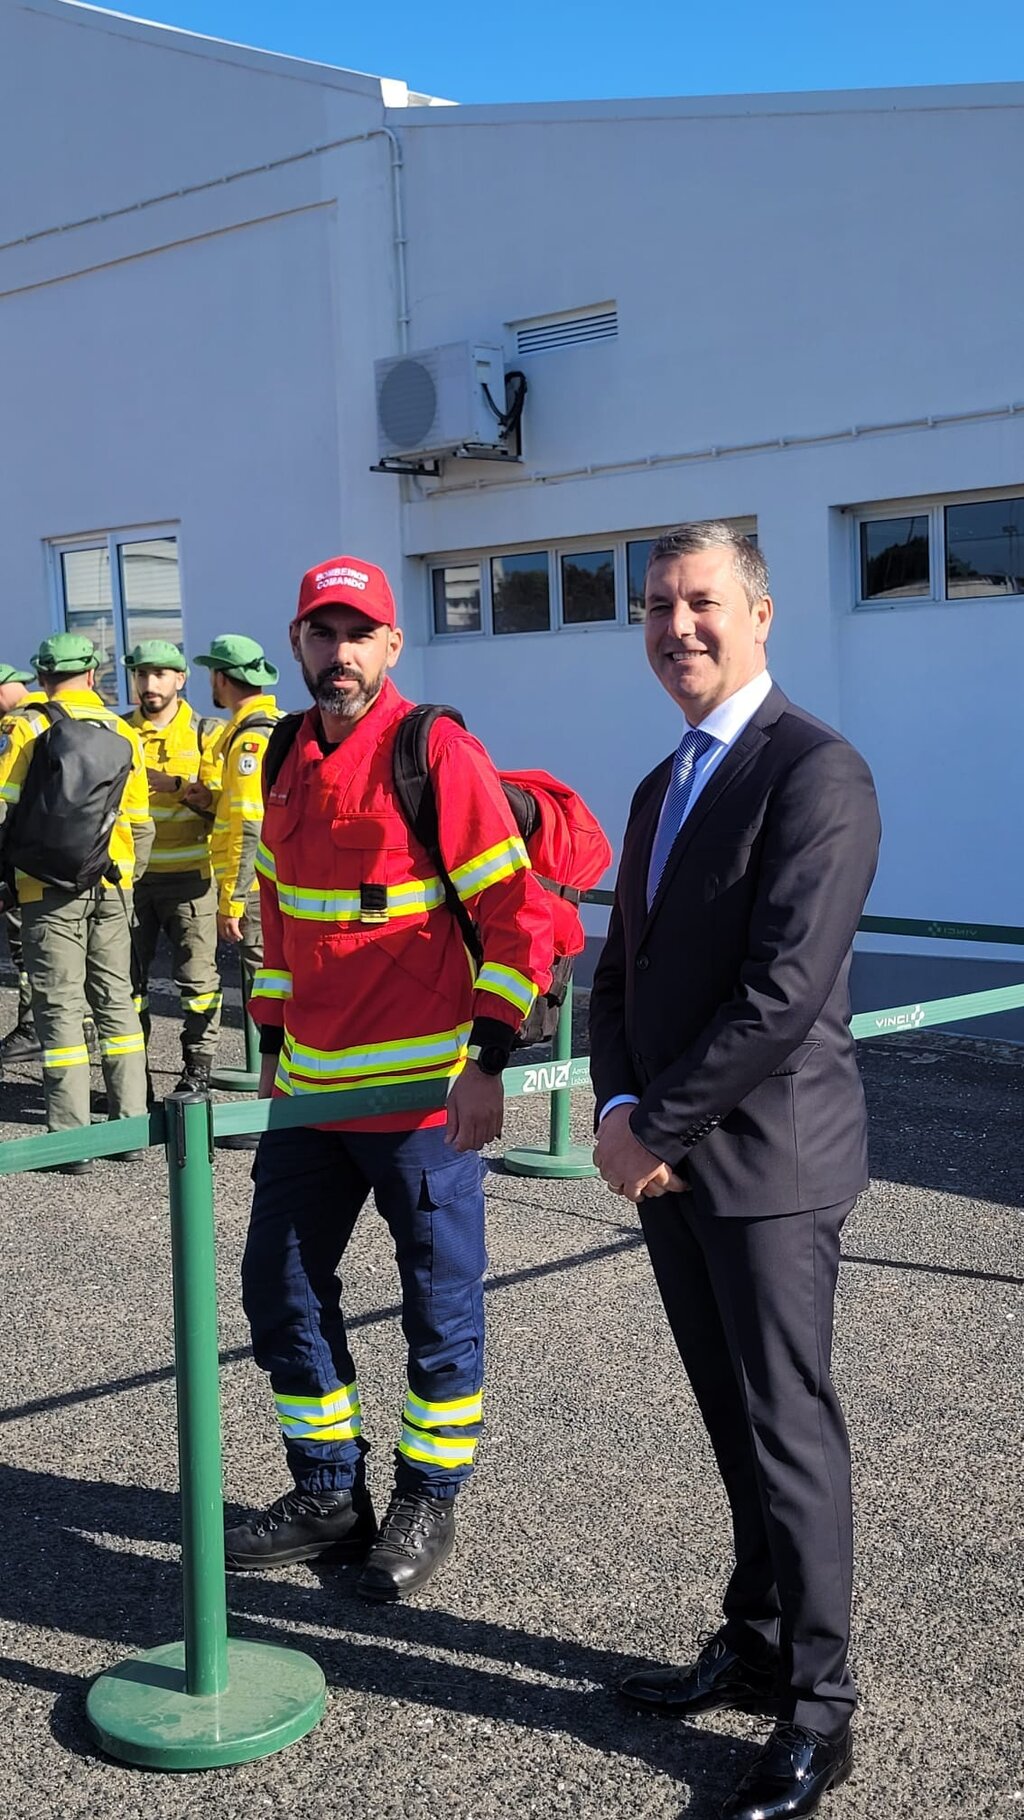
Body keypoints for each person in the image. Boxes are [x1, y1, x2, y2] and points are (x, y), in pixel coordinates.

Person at [589, 522, 880, 1820]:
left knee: (787, 1429)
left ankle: (821, 1709)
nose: (676, 627)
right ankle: (757, 1642)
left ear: (761, 615)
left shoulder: (817, 774)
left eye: (701, 602)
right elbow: (621, 972)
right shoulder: (663, 785)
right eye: (656, 606)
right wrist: (612, 1101)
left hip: (767, 1167)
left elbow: (781, 995)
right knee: (731, 1422)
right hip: (674, 1163)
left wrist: (658, 1127)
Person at [224, 555, 554, 1601]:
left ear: (391, 646)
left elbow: (519, 918)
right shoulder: (282, 750)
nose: (340, 653)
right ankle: (328, 1490)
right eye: (322, 634)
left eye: (358, 633)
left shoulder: (435, 751)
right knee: (276, 1289)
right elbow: (278, 918)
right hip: (314, 1096)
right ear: (297, 644)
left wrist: (489, 1059)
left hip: (422, 1100)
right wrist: (273, 1046)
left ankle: (428, 1495)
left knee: (438, 1304)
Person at [0, 634, 154, 1172]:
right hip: (113, 886)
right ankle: (132, 1127)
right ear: (92, 674)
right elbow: (140, 823)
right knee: (115, 1000)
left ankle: (71, 1137)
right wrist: (127, 881)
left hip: (46, 889)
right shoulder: (124, 731)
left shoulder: (29, 724)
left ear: (42, 676)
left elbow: (4, 806)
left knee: (60, 1006)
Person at [180, 634, 280, 1149]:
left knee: (270, 992)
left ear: (221, 678)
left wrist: (232, 901)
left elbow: (247, 827)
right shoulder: (264, 728)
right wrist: (209, 800)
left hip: (257, 887)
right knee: (273, 987)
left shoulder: (247, 740)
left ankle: (274, 1112)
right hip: (273, 882)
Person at [123, 641, 223, 1094]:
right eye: (142, 675)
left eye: (159, 674)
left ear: (180, 679)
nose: (149, 684)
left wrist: (181, 788)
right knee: (127, 982)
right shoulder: (119, 731)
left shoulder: (206, 732)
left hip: (191, 879)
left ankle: (196, 1069)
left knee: (198, 982)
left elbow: (226, 808)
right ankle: (131, 1078)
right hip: (132, 879)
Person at [0, 662, 45, 1063]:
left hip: (23, 857)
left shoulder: (16, 726)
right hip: (63, 856)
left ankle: (34, 1026)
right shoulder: (56, 715)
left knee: (27, 947)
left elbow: (3, 799)